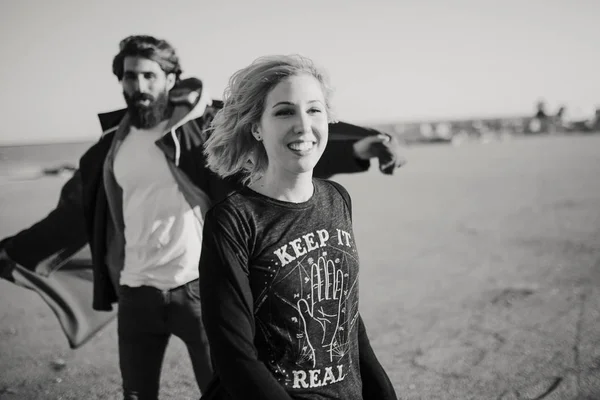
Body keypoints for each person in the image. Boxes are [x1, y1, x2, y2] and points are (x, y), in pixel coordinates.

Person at [0, 35, 405, 399]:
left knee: (228, 380)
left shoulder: (193, 131)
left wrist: (360, 148)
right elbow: (71, 216)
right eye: (129, 77)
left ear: (171, 78)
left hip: (195, 287)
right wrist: (12, 251)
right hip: (136, 291)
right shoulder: (108, 150)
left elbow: (295, 132)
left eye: (149, 76)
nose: (138, 86)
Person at [198, 55, 398, 399]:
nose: (303, 126)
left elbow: (346, 314)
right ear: (256, 127)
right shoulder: (233, 220)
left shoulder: (337, 199)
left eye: (314, 110)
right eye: (284, 111)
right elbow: (234, 355)